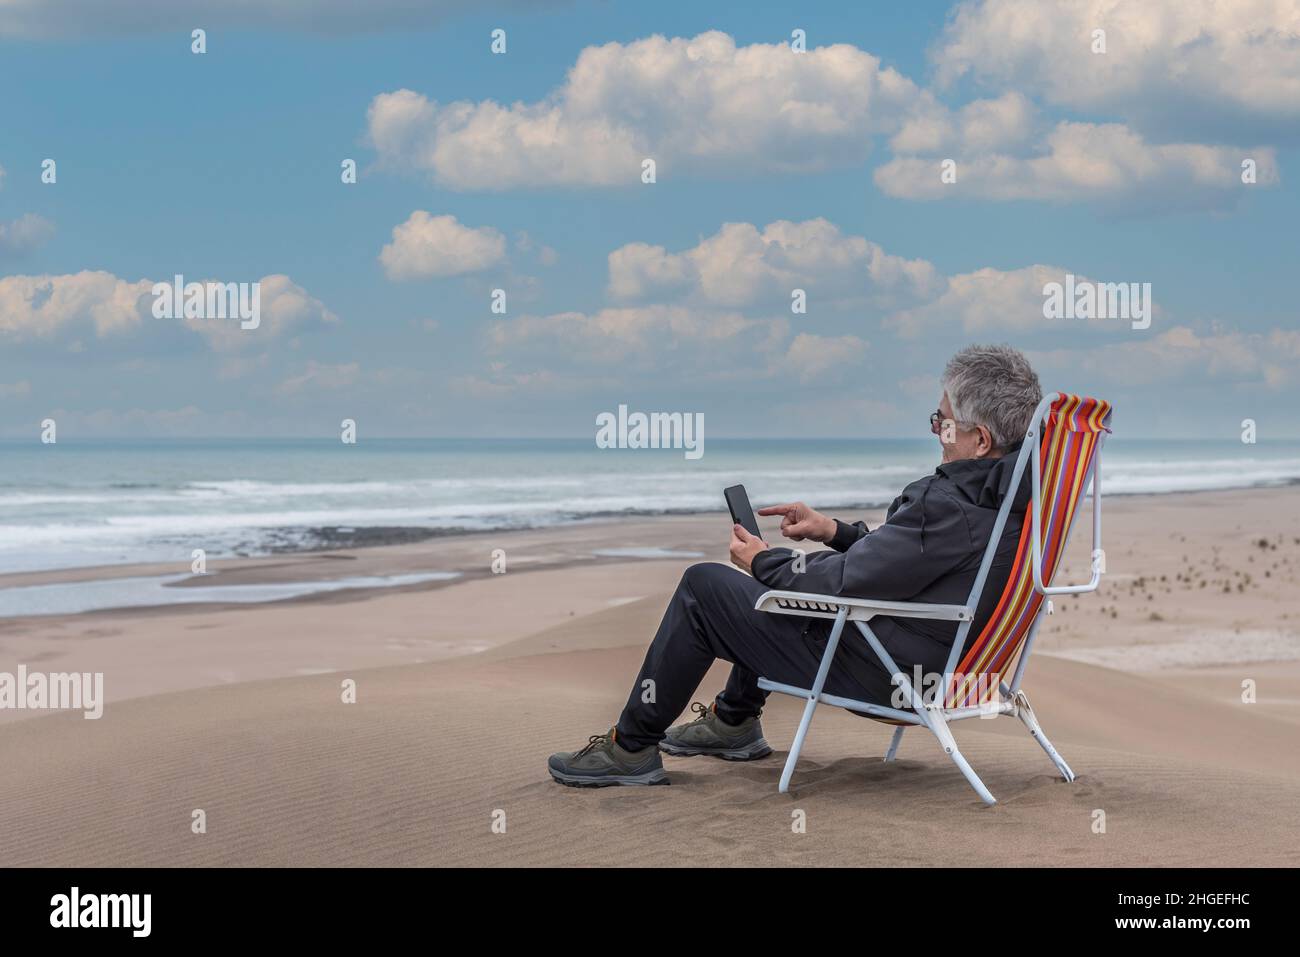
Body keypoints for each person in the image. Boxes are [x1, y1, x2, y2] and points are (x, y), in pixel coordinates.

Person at [547, 344, 1042, 787]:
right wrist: (834, 532)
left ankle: (631, 748)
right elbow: (914, 561)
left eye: (943, 421)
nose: (937, 431)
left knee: (706, 588)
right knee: (781, 588)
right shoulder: (1008, 496)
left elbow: (847, 582)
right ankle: (733, 721)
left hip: (889, 673)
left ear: (979, 440)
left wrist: (766, 562)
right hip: (938, 663)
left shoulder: (951, 505)